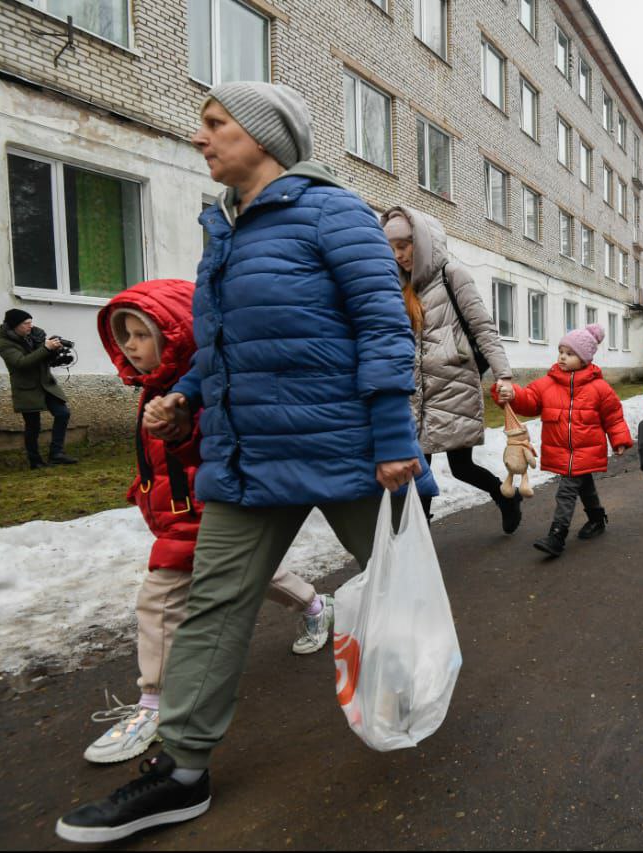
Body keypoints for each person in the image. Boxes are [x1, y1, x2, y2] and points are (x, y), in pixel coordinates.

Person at [56, 81, 435, 845]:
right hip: (247, 454)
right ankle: (182, 772)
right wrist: (187, 395)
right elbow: (227, 339)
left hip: (344, 448)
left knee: (400, 585)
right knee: (212, 603)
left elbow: (383, 325)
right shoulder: (222, 228)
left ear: (263, 137)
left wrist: (394, 433)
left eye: (215, 123)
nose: (201, 137)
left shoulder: (333, 213)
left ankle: (417, 690)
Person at [84, 279, 335, 766]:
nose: (131, 347)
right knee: (246, 573)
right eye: (124, 336)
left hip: (207, 506)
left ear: (176, 335)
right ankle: (314, 604)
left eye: (142, 334)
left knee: (159, 598)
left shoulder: (204, 389)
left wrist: (179, 429)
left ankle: (154, 704)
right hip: (182, 509)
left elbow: (214, 446)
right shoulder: (156, 388)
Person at [380, 206, 521, 533]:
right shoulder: (399, 285)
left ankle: (504, 496)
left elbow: (483, 327)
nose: (398, 255)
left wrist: (504, 374)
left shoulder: (452, 274)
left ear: (422, 242)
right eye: (391, 248)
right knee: (419, 468)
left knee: (461, 468)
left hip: (454, 386)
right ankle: (418, 541)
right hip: (415, 394)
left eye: (404, 246)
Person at [496, 324, 632, 558]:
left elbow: (613, 415)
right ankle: (597, 519)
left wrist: (618, 439)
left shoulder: (599, 388)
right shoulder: (547, 384)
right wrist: (514, 394)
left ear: (584, 359)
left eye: (569, 354)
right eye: (560, 351)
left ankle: (557, 536)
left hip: (585, 449)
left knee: (566, 491)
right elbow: (530, 401)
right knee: (584, 483)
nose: (562, 357)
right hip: (563, 450)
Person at [0, 308, 77, 469]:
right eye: (26, 323)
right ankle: (35, 461)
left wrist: (55, 352)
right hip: (26, 388)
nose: (30, 326)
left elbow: (43, 358)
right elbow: (21, 363)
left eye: (30, 322)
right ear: (15, 326)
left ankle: (57, 453)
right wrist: (46, 348)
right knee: (33, 426)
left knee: (63, 413)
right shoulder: (4, 343)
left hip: (46, 384)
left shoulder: (34, 336)